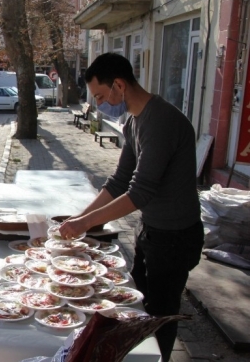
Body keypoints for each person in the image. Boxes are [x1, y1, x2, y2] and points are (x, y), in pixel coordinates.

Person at [58, 53, 203, 362]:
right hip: (152, 232)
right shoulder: (135, 122)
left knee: (160, 316)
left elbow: (140, 192)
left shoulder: (161, 120)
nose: (98, 105)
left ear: (119, 86)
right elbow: (120, 179)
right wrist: (80, 217)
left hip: (175, 238)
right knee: (138, 307)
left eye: (99, 96)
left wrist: (85, 225)